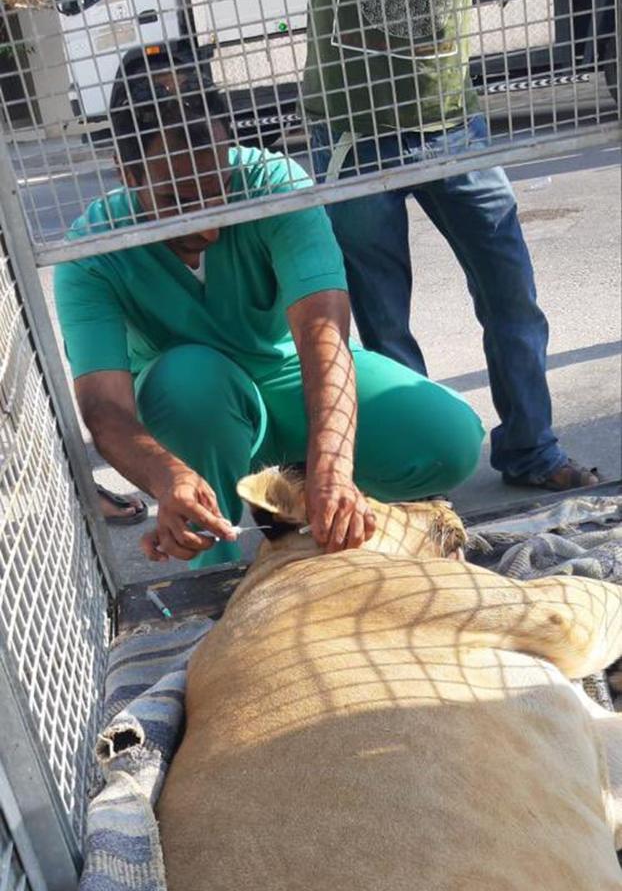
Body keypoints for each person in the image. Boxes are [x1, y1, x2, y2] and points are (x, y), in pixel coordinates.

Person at [54, 42, 483, 568]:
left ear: (228, 147)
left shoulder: (273, 185)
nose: (207, 222)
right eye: (176, 201)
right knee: (187, 380)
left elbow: (322, 332)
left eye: (216, 186)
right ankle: (214, 561)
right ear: (127, 172)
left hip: (287, 374)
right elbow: (106, 409)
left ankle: (297, 484)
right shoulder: (92, 253)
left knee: (449, 442)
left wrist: (331, 466)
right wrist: (169, 477)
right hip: (197, 412)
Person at [302, 0, 601, 492]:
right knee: (384, 321)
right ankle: (421, 467)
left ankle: (531, 448)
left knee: (511, 293)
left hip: (454, 125)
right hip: (354, 131)